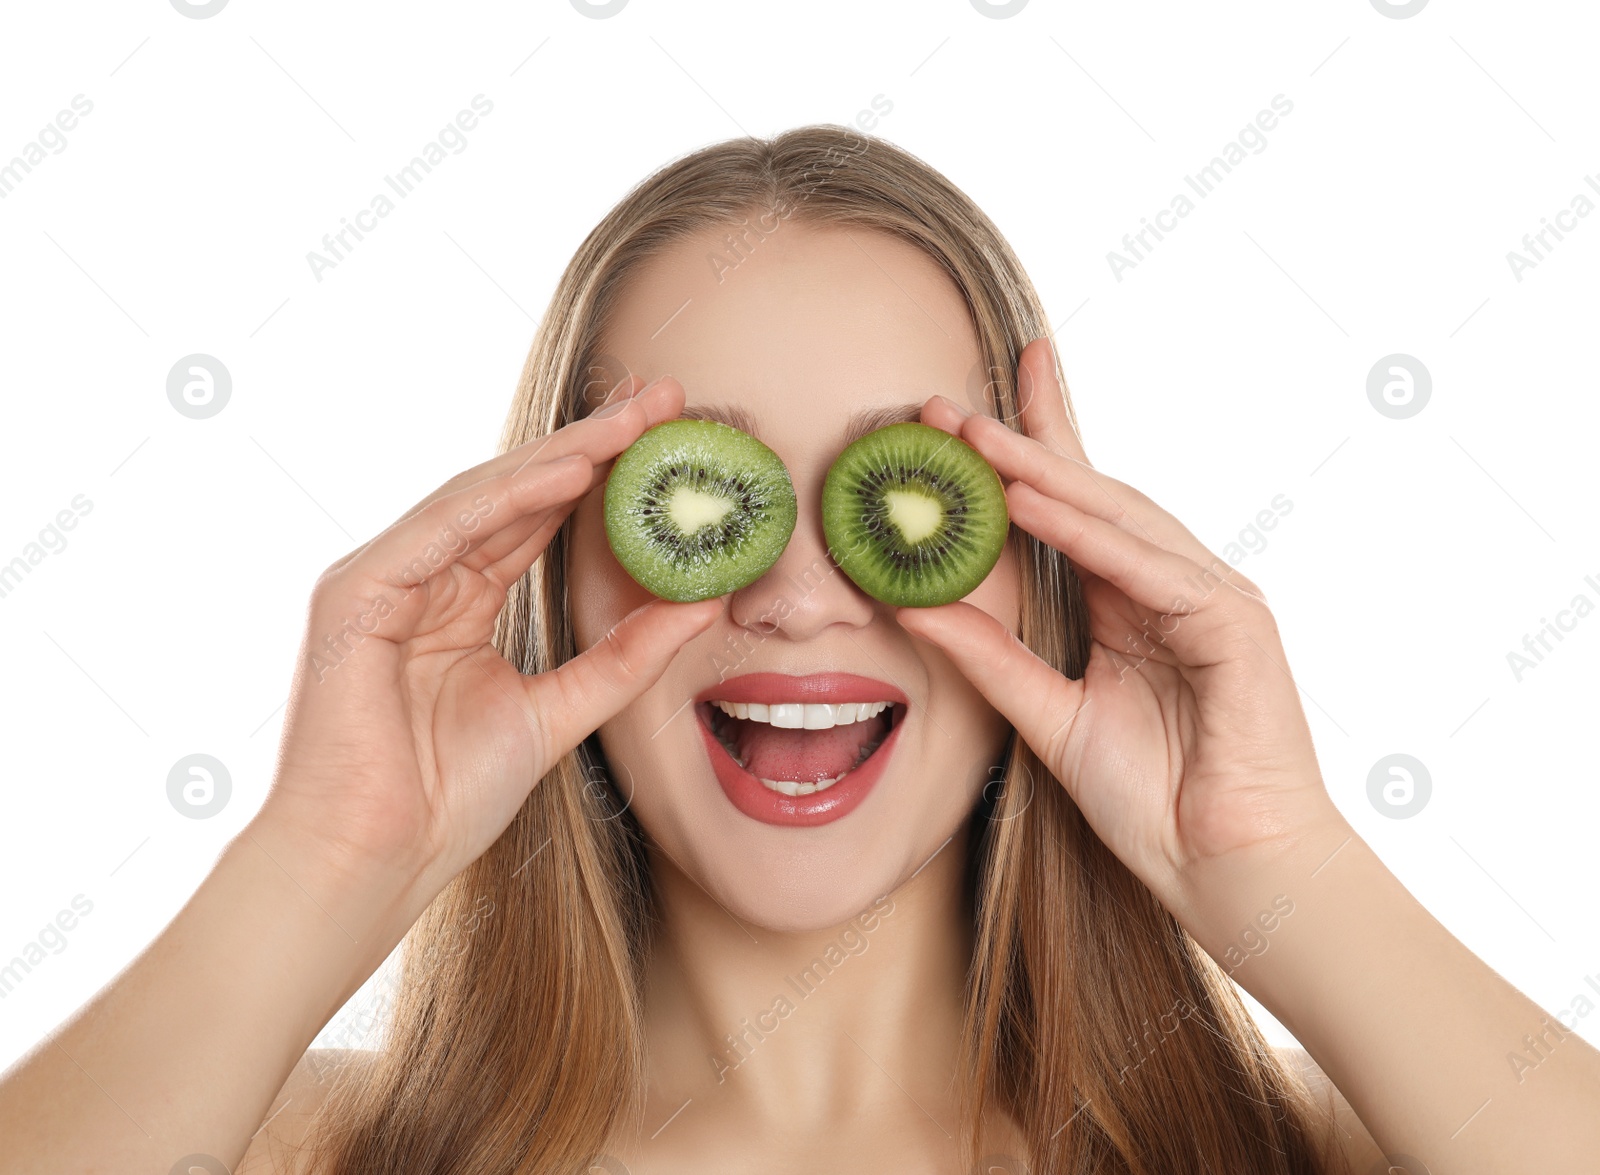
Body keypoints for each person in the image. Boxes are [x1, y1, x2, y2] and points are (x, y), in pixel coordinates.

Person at [2, 126, 1595, 1175]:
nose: (803, 597)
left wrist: (1280, 865)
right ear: (551, 574)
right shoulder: (295, 1151)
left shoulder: (1345, 1149)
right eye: (706, 503)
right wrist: (323, 857)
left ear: (1048, 575)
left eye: (903, 495)